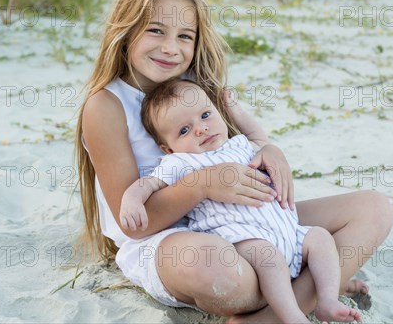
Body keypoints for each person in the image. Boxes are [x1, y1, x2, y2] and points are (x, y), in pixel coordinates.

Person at [75, 0, 393, 322]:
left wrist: (270, 151)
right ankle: (309, 288)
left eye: (185, 36)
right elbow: (136, 225)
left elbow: (239, 146)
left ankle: (275, 313)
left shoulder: (194, 85)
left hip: (244, 221)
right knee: (216, 271)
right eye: (155, 31)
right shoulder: (106, 106)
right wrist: (201, 185)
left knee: (373, 208)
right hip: (168, 241)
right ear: (126, 29)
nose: (170, 47)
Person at [120, 78, 362, 323]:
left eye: (205, 115)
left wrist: (235, 110)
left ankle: (327, 300)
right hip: (242, 238)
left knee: (320, 237)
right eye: (184, 130)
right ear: (168, 149)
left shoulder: (239, 144)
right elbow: (149, 183)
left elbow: (259, 137)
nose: (200, 129)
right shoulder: (181, 162)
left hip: (288, 232)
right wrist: (132, 198)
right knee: (269, 257)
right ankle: (293, 316)